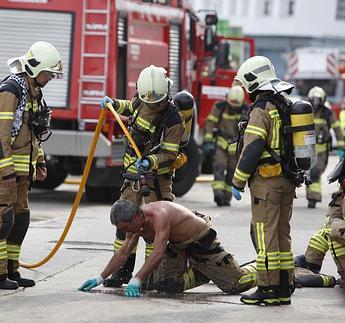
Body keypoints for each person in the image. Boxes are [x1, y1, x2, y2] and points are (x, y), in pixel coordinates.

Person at [0, 41, 62, 289]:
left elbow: (32, 134)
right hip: (2, 171)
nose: (50, 78)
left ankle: (11, 270)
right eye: (48, 73)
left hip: (22, 171)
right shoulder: (11, 91)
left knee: (20, 220)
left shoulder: (33, 92)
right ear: (36, 70)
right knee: (0, 220)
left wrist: (40, 161)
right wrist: (5, 170)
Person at [100, 65, 185, 287]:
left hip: (157, 179)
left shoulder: (173, 118)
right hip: (132, 176)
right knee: (124, 225)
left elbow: (169, 152)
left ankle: (150, 276)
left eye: (157, 102)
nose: (153, 106)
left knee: (154, 229)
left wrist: (150, 162)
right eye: (149, 102)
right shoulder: (143, 98)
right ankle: (121, 272)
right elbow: (132, 107)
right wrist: (114, 104)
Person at [78, 200, 258, 296]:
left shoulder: (159, 215)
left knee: (235, 285)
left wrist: (137, 278)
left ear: (136, 218)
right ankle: (204, 272)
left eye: (125, 228)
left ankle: (261, 268)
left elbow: (158, 253)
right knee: (166, 286)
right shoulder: (134, 225)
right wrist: (100, 277)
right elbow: (124, 252)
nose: (125, 232)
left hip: (199, 240)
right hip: (177, 245)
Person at [230, 56, 298, 306]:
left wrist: (237, 181)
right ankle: (283, 287)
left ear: (251, 82)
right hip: (287, 180)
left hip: (267, 183)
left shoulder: (261, 109)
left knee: (265, 234)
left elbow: (253, 148)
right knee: (282, 234)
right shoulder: (285, 103)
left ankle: (267, 288)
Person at [202, 85, 247, 206]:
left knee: (232, 172)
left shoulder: (245, 110)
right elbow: (210, 123)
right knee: (219, 167)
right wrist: (208, 141)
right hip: (222, 143)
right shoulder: (219, 107)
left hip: (236, 146)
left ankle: (226, 198)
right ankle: (218, 194)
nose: (233, 107)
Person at [306, 86, 345, 208]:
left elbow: (338, 130)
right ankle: (311, 195)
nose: (316, 103)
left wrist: (341, 148)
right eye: (313, 99)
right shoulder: (305, 111)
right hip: (306, 150)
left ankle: (313, 198)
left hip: (322, 151)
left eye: (318, 100)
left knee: (315, 172)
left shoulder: (328, 113)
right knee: (309, 174)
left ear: (323, 100)